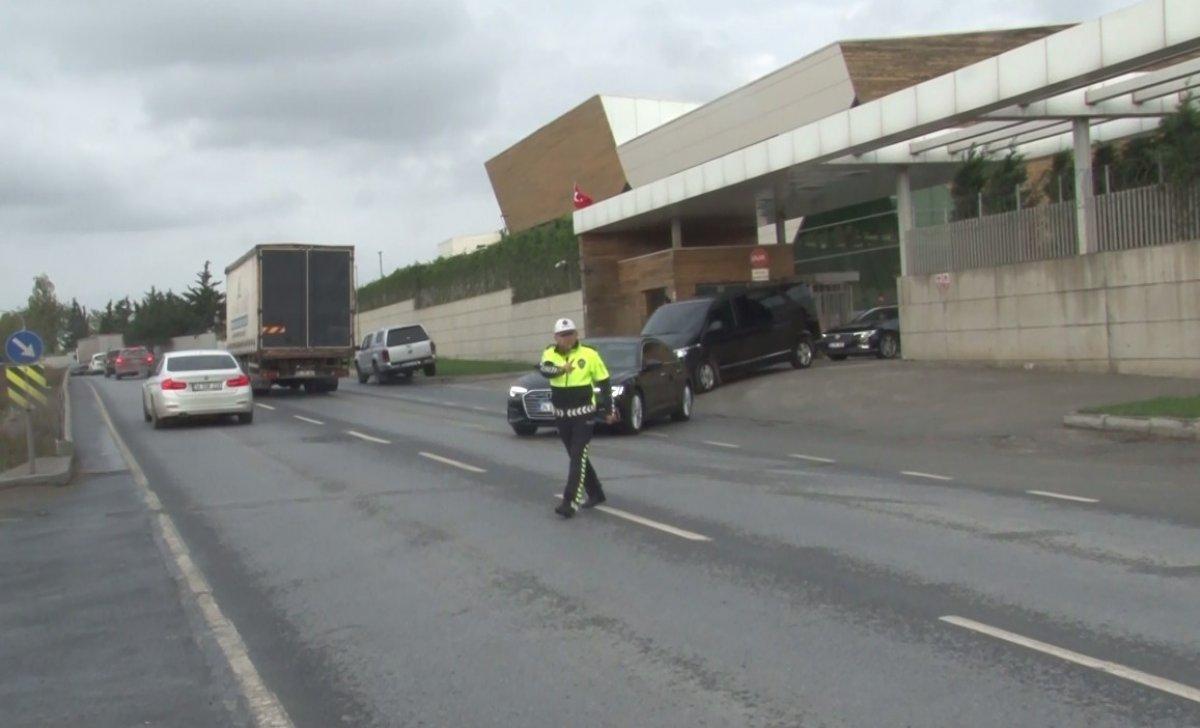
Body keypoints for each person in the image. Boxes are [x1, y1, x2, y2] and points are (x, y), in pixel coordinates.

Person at [537, 318, 617, 518]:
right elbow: (545, 370)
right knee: (576, 457)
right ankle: (596, 492)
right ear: (556, 337)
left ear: (576, 334)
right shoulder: (549, 353)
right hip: (562, 416)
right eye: (563, 335)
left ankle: (570, 502)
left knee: (577, 455)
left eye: (570, 334)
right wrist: (561, 369)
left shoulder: (589, 354)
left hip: (584, 415)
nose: (567, 338)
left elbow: (604, 382)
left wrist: (609, 409)